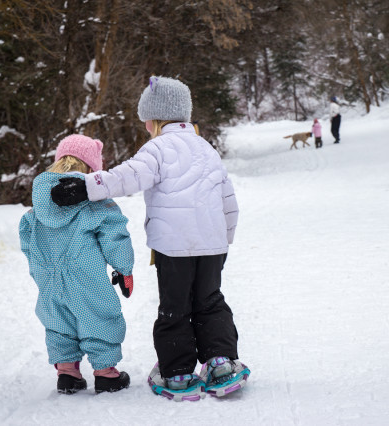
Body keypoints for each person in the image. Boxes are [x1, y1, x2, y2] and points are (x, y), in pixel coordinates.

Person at [49, 76, 249, 400]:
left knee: (175, 308)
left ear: (155, 120)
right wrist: (225, 238)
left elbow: (127, 176)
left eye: (145, 122)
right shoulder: (206, 148)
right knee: (210, 302)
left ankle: (178, 374)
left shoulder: (157, 148)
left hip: (173, 248)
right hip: (212, 246)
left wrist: (86, 187)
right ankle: (220, 363)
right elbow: (229, 199)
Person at [19, 134, 135, 394]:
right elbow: (115, 235)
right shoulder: (95, 202)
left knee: (58, 318)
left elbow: (26, 237)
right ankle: (106, 373)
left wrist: (38, 266)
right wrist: (124, 268)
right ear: (92, 169)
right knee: (98, 314)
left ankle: (68, 373)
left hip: (48, 273)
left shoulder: (39, 205)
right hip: (86, 272)